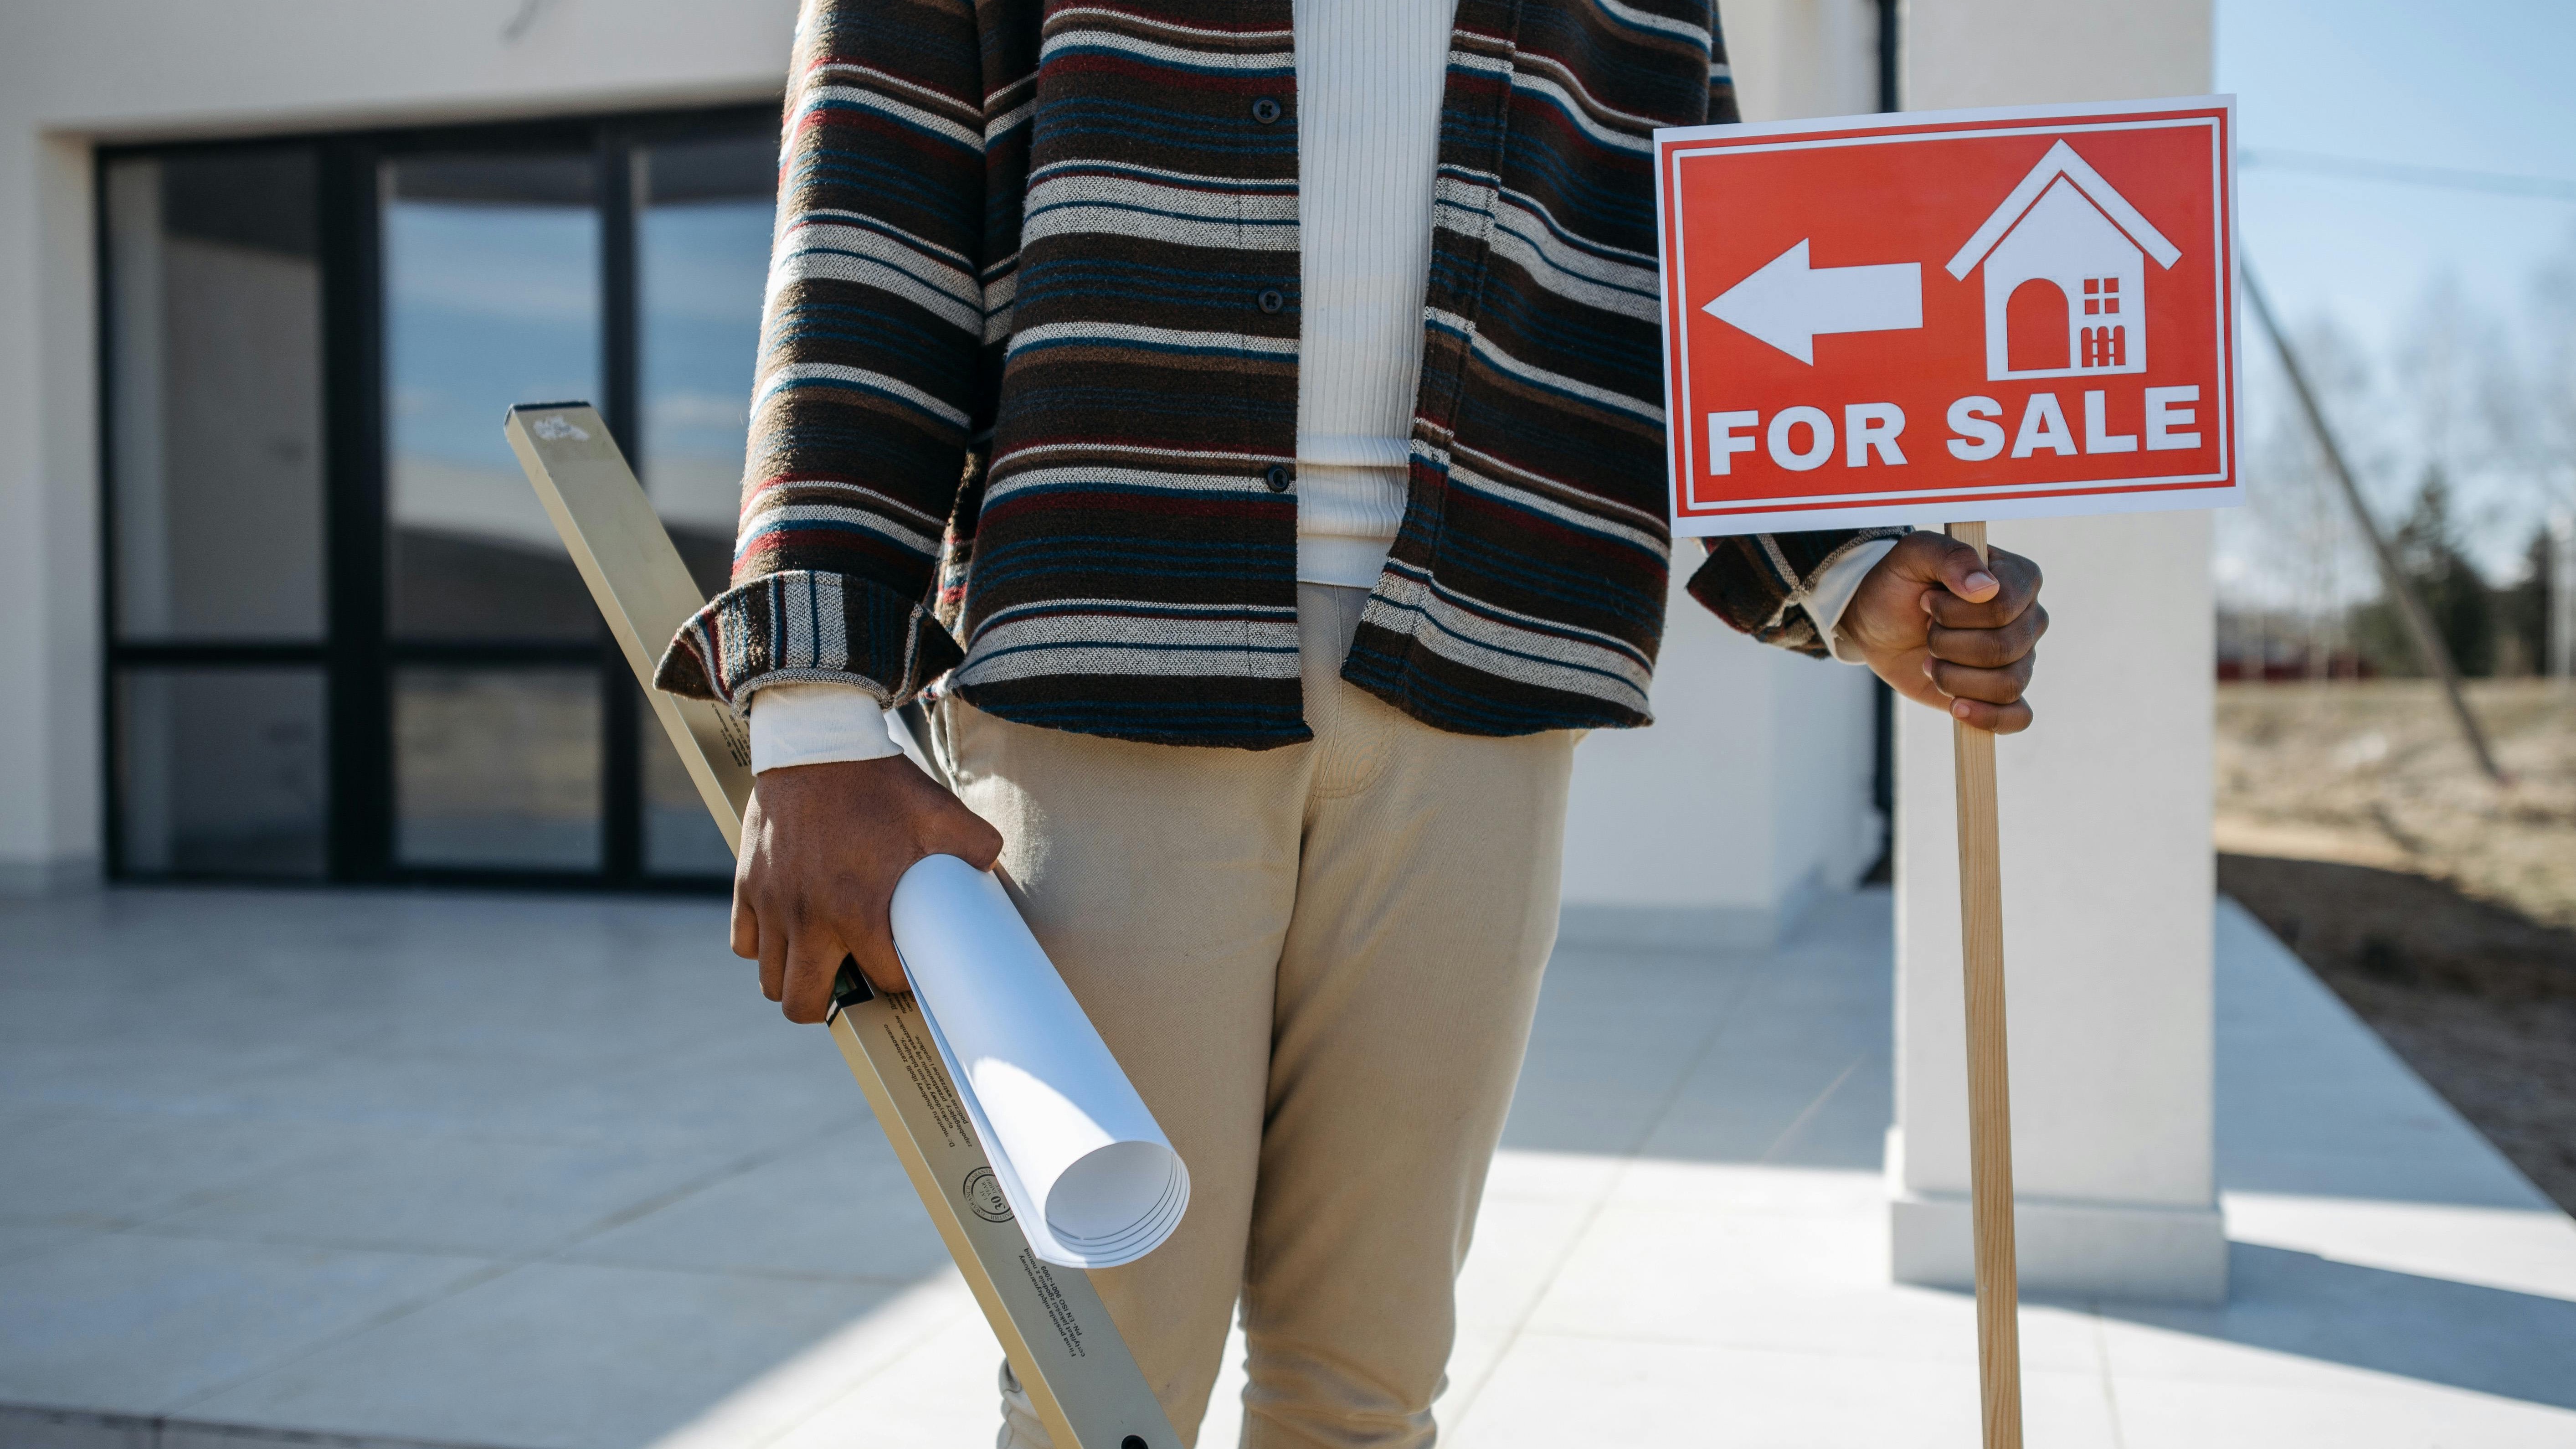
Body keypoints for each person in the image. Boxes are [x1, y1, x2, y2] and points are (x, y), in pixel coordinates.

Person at [656, 1, 2045, 1444]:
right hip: (1112, 648)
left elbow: (1692, 236)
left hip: (1484, 665)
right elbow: (875, 193)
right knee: (1101, 1388)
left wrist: (1843, 563)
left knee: (1371, 1386)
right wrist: (815, 715)